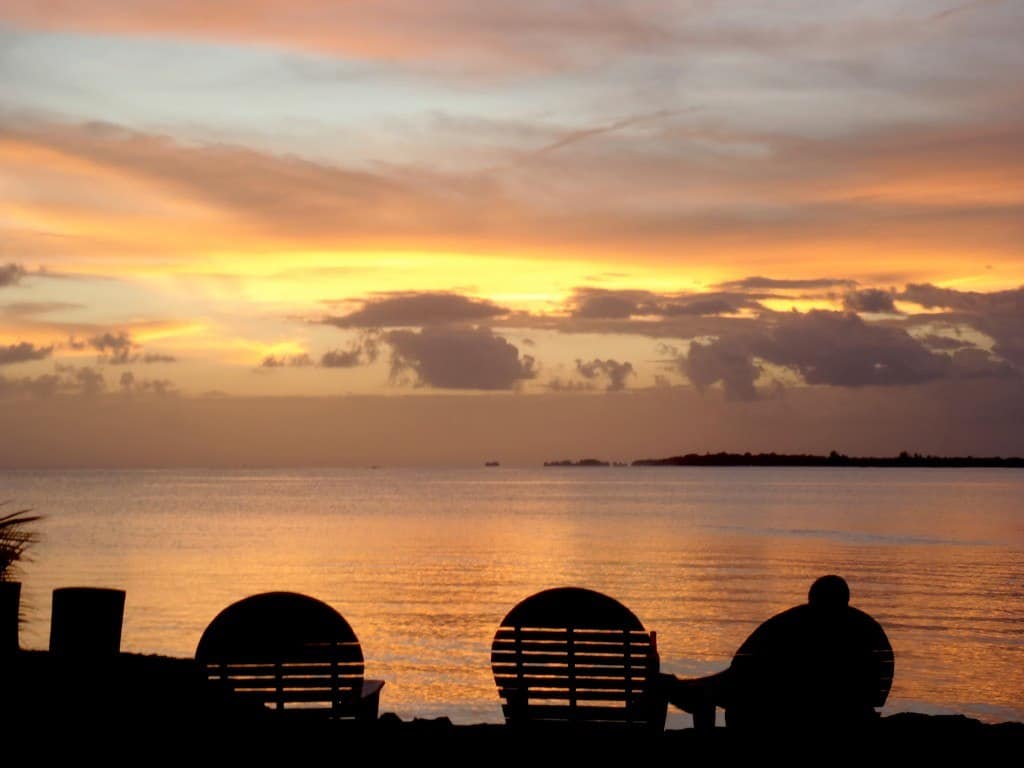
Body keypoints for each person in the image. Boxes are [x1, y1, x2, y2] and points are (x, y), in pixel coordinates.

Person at [660, 575, 893, 731]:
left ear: (812, 598)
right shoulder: (865, 631)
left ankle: (682, 689)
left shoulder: (792, 626)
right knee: (719, 689)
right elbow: (874, 693)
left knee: (720, 693)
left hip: (779, 713)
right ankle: (685, 689)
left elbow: (744, 673)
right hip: (843, 716)